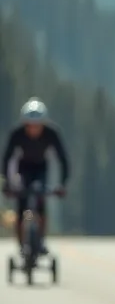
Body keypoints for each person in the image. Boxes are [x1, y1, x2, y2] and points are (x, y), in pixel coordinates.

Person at [1, 98, 69, 255]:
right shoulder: (16, 134)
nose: (33, 129)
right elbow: (6, 158)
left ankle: (41, 239)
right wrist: (7, 183)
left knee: (40, 204)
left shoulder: (52, 134)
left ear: (43, 124)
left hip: (41, 169)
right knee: (21, 207)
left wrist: (62, 184)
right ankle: (21, 245)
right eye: (30, 125)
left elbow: (63, 160)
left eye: (37, 125)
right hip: (23, 169)